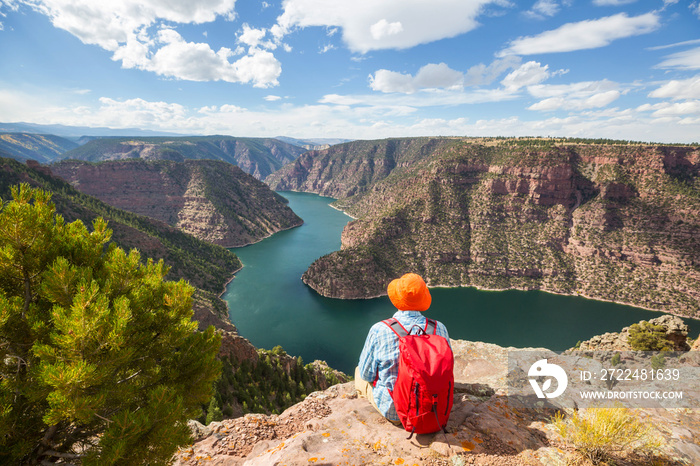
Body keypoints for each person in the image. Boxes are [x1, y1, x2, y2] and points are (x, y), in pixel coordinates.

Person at [355, 273, 451, 424]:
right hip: (433, 409)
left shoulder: (380, 329)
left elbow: (367, 375)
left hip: (394, 411)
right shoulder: (439, 328)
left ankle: (363, 408)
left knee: (358, 371)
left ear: (396, 300)